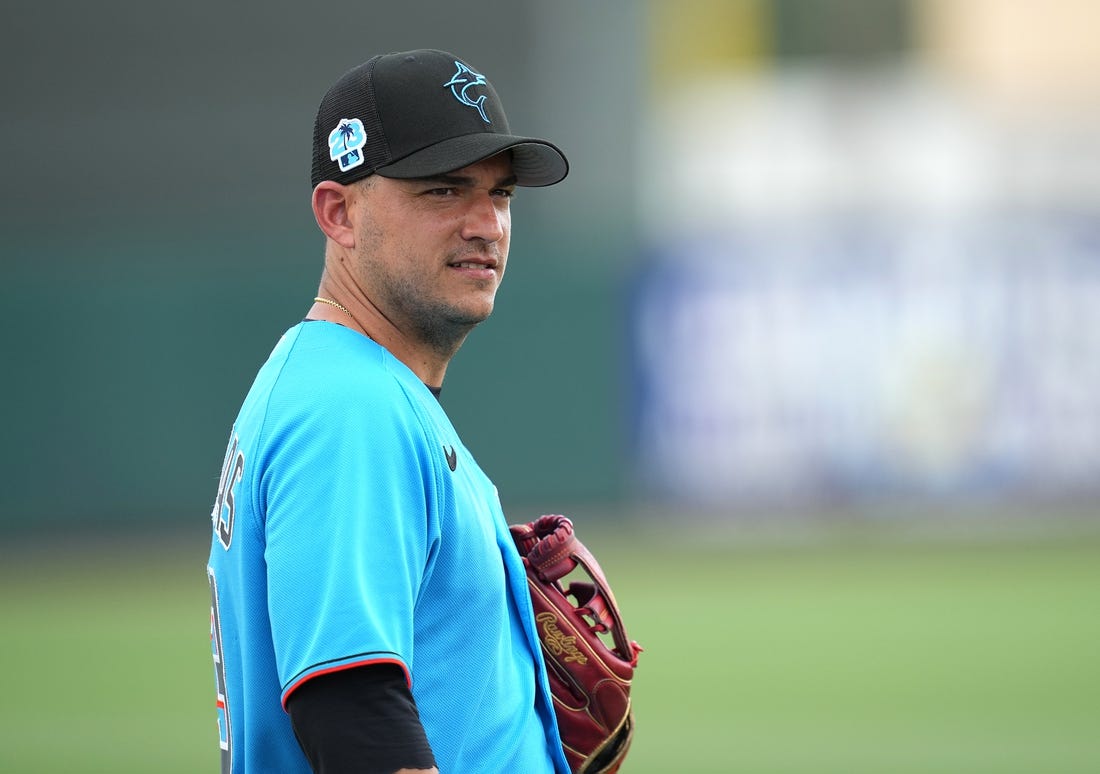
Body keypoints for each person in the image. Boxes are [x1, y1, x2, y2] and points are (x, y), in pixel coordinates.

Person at [206, 49, 571, 774]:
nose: (486, 224)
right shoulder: (349, 408)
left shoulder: (352, 385)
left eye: (500, 195)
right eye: (443, 191)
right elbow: (351, 712)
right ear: (338, 213)